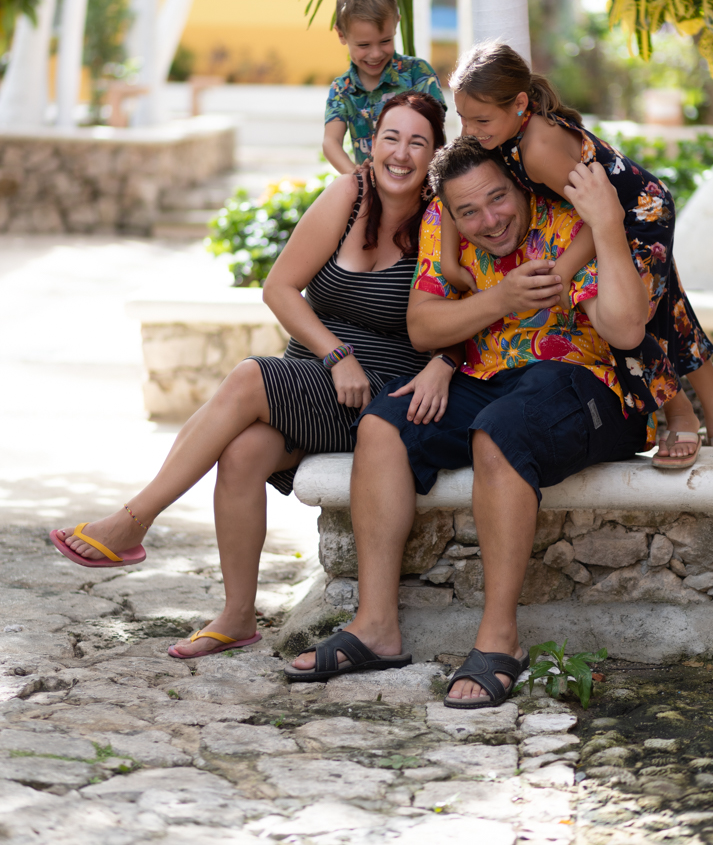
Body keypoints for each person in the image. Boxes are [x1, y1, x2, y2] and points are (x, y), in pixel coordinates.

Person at [51, 92, 456, 660]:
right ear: (371, 144)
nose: (401, 153)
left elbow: (471, 310)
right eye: (391, 137)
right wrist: (335, 355)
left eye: (418, 142)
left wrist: (442, 363)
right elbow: (279, 287)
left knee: (246, 378)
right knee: (242, 452)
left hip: (381, 395)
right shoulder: (349, 193)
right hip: (319, 375)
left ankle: (132, 522)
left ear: (435, 152)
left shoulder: (443, 217)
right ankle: (237, 616)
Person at [288, 137, 674, 703]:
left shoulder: (566, 215)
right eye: (469, 211)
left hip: (587, 383)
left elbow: (625, 330)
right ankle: (376, 628)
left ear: (519, 184)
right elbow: (423, 327)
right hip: (486, 378)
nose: (489, 221)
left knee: (501, 429)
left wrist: (605, 227)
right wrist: (500, 301)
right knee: (382, 425)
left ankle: (500, 639)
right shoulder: (441, 221)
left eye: (498, 199)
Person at [440, 42, 713, 469]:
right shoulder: (499, 129)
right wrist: (449, 258)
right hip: (607, 216)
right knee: (665, 306)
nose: (470, 128)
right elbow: (456, 169)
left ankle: (680, 414)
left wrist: (564, 270)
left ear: (520, 104)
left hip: (637, 217)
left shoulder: (538, 150)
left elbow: (603, 215)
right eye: (463, 117)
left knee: (622, 318)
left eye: (480, 119)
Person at [323, 0, 446, 174]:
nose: (376, 54)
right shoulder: (342, 88)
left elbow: (435, 131)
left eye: (385, 41)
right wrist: (357, 177)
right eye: (364, 45)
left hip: (422, 184)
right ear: (341, 35)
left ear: (396, 24)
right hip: (374, 189)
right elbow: (331, 142)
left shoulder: (418, 73)